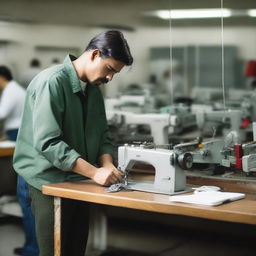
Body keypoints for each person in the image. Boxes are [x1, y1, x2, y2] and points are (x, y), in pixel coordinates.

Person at [13, 30, 133, 256]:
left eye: (115, 74)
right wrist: (94, 173)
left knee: (76, 248)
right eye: (109, 69)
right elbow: (48, 143)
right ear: (95, 54)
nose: (110, 78)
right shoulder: (52, 82)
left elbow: (102, 135)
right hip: (48, 180)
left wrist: (106, 165)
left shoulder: (94, 89)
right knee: (54, 251)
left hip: (80, 179)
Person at [0, 66, 39, 256]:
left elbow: (1, 113)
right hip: (23, 136)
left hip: (20, 136)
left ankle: (32, 248)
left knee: (25, 192)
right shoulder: (17, 89)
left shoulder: (11, 90)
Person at [0, 66, 26, 141]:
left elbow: (2, 113)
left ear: (2, 77)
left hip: (16, 129)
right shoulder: (14, 88)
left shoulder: (10, 91)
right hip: (19, 128)